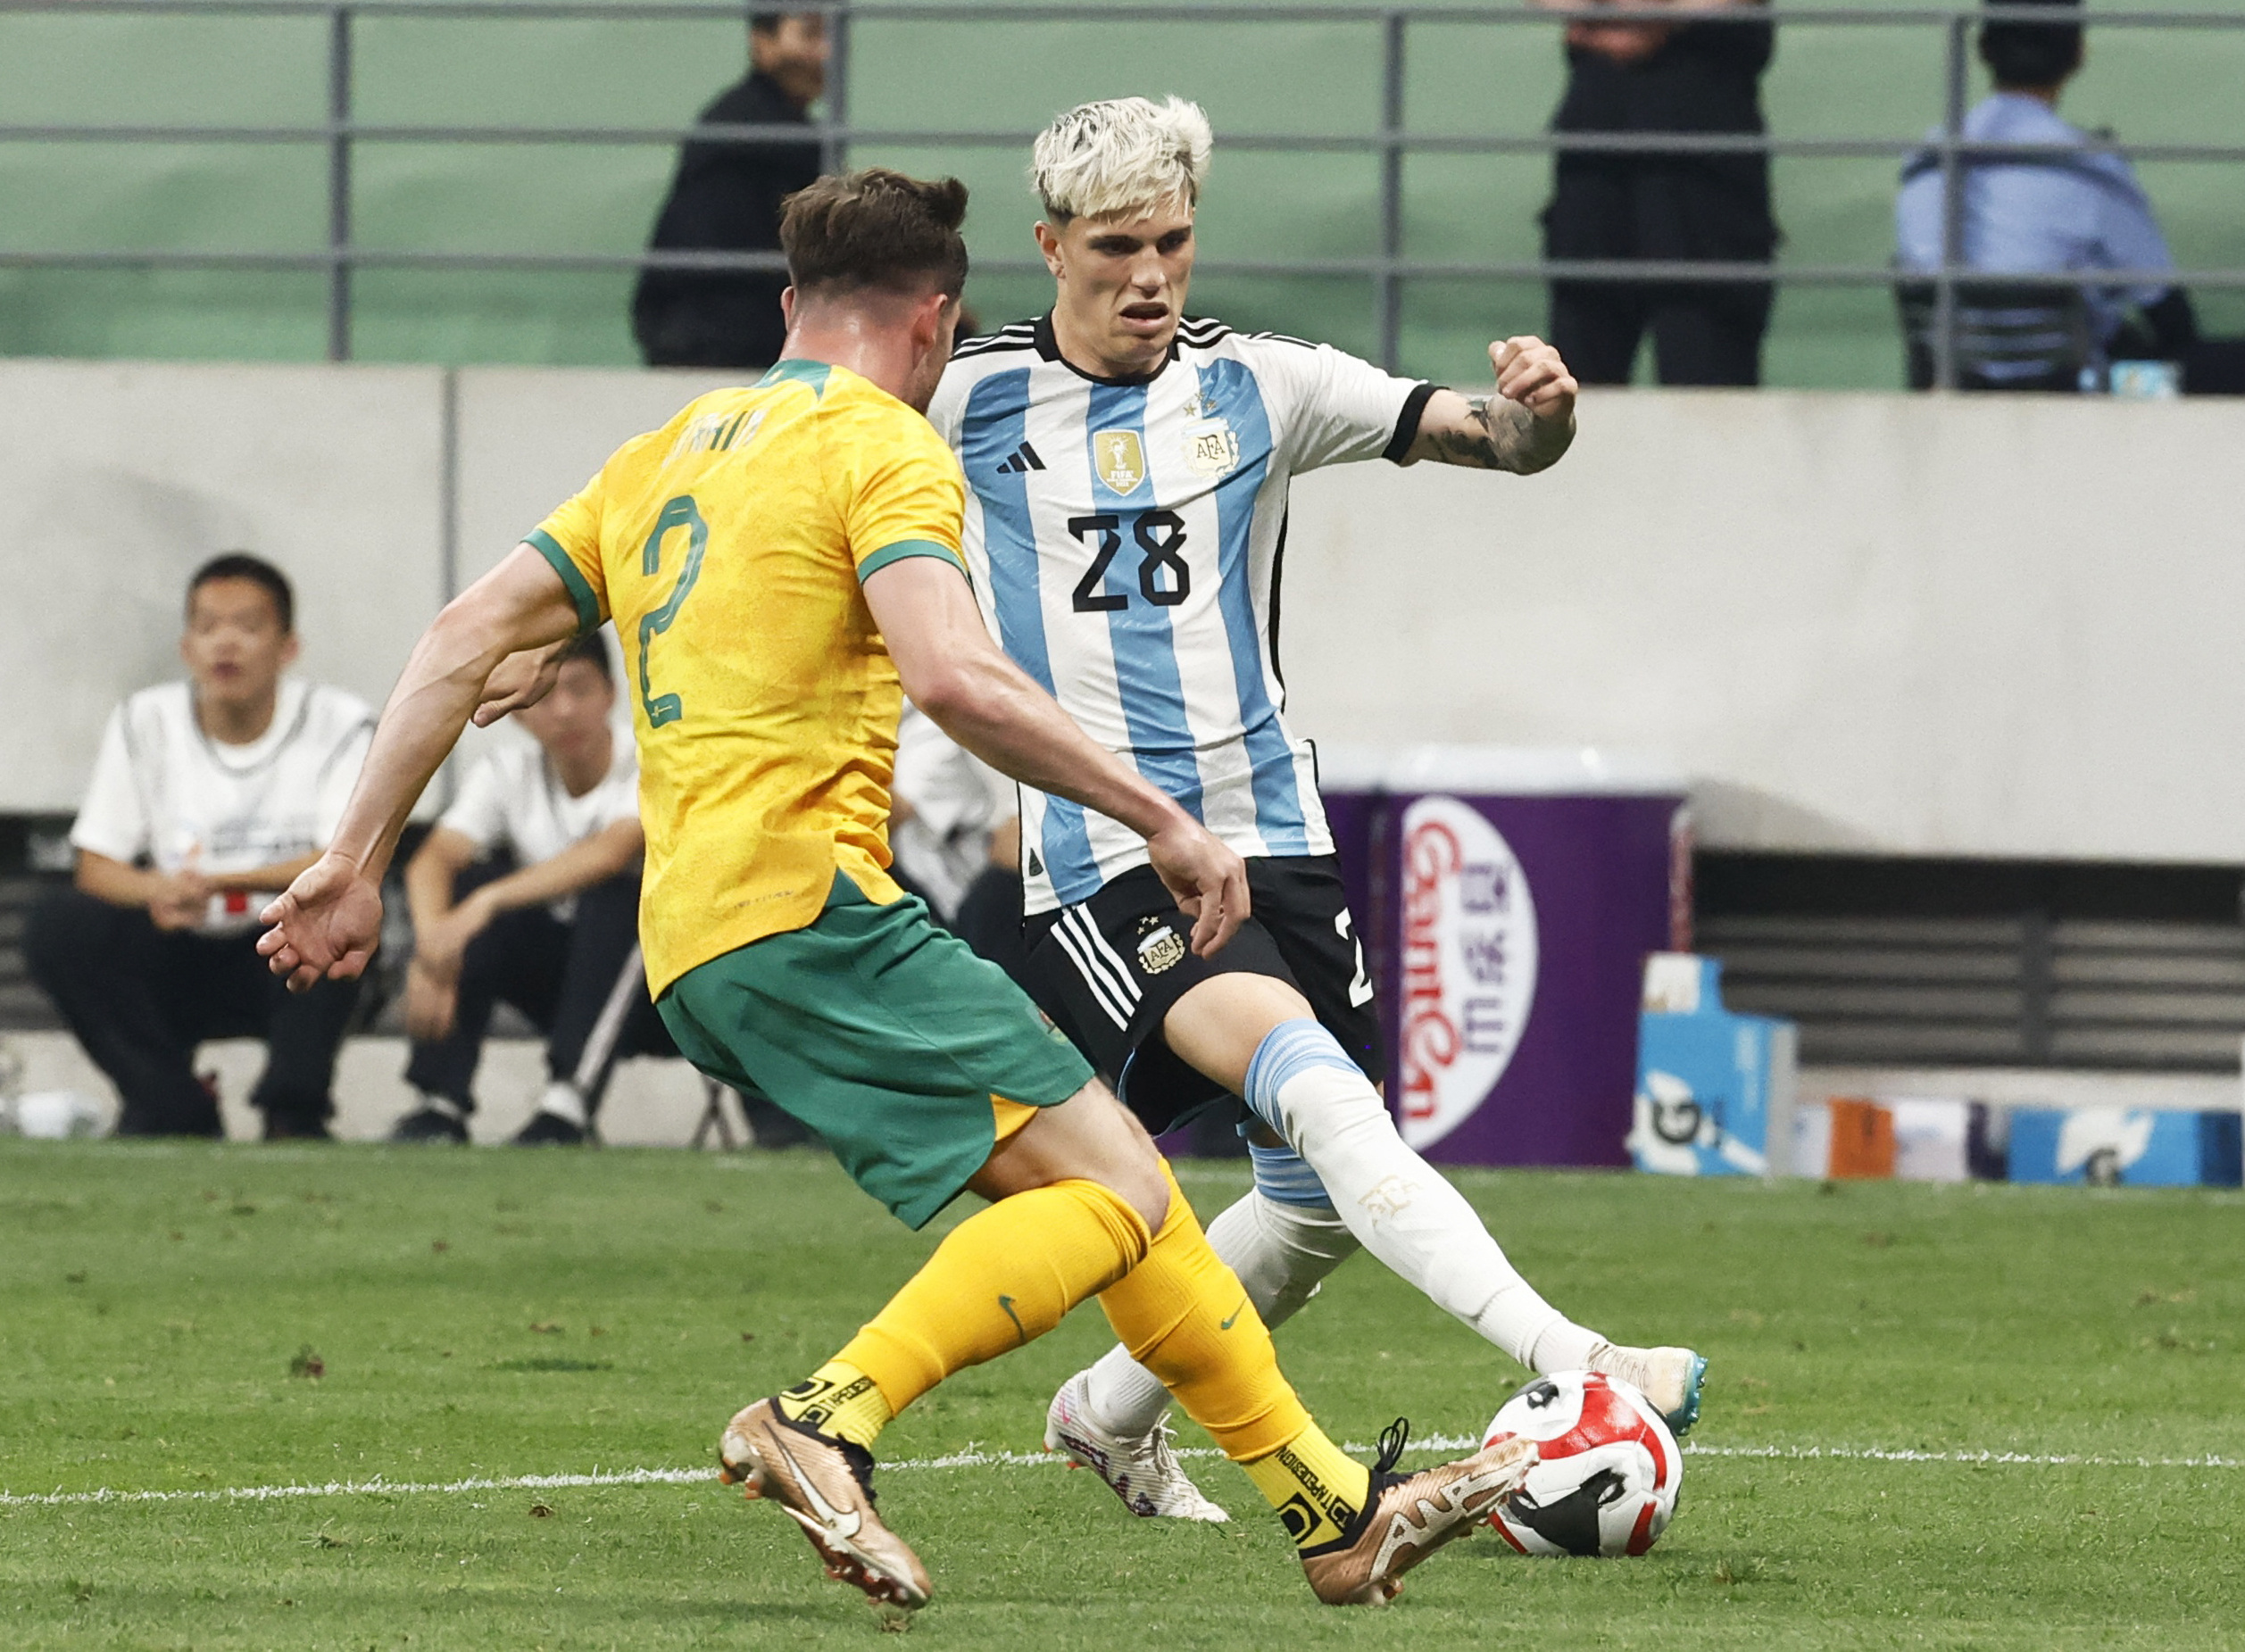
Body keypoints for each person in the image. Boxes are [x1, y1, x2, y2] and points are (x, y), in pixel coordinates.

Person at [256, 167, 1534, 1611]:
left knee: (1121, 1181)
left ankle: (1332, 1515)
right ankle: (827, 1416)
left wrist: (351, 864)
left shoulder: (667, 450)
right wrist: (1156, 817)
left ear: (791, 304)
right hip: (812, 911)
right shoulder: (886, 448)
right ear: (935, 323)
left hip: (694, 940)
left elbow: (458, 631)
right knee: (1117, 1188)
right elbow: (949, 674)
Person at [928, 95, 1705, 1523]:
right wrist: (560, 621)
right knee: (1332, 1104)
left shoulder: (1258, 383)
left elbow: (1492, 441)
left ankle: (1105, 1411)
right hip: (1111, 852)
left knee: (1305, 1200)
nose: (1151, 274)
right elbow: (763, 486)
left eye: (1171, 240)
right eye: (1115, 247)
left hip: (1273, 833)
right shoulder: (957, 397)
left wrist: (1544, 416)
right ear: (1048, 247)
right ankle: (1580, 1357)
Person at [26, 554, 372, 1139]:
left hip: (281, 951)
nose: (225, 644)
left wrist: (222, 881)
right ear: (187, 647)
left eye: (246, 626)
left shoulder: (343, 724)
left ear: (287, 646)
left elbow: (343, 861)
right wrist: (158, 890)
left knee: (339, 913)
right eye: (208, 627)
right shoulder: (146, 720)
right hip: (178, 944)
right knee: (60, 923)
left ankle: (295, 1105)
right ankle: (171, 1103)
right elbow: (96, 864)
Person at [389, 630, 669, 1147]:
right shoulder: (505, 772)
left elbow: (611, 852)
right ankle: (440, 1105)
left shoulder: (651, 761)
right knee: (464, 889)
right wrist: (433, 941)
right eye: (545, 695)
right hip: (555, 981)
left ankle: (566, 1103)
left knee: (619, 900)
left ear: (612, 693)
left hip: (653, 993)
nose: (562, 710)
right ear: (517, 708)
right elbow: (432, 859)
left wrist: (484, 902)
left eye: (580, 690)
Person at [1893, 0, 2245, 394]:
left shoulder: (1924, 160)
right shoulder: (2086, 165)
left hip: (1956, 383)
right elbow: (2169, 317)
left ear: (1982, 50)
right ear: (2079, 54)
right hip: (2081, 386)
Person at [1532, 0, 1778, 386]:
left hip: (1706, 171)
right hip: (1598, 157)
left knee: (1708, 379)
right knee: (1577, 383)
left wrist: (1624, 13)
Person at [631, 11, 828, 370]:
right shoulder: (772, 131)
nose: (826, 52)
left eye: (829, 36)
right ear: (762, 42)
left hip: (684, 325)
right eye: (810, 35)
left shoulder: (737, 115)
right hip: (721, 334)